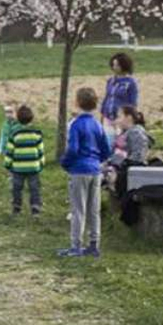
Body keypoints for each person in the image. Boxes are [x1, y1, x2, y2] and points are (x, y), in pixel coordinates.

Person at [58, 87, 111, 258]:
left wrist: (65, 162)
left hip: (79, 170)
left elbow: (73, 149)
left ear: (77, 102)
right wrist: (97, 161)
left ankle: (76, 246)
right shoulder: (98, 124)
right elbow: (106, 149)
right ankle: (94, 244)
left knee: (78, 209)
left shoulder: (76, 124)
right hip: (95, 170)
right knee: (93, 209)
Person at [3, 104, 44, 216]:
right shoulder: (37, 134)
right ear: (32, 118)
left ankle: (17, 207)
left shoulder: (15, 135)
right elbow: (40, 151)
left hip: (18, 168)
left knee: (17, 188)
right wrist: (41, 163)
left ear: (18, 119)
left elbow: (9, 151)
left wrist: (7, 165)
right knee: (34, 188)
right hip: (33, 167)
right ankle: (35, 207)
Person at [100, 52, 139, 148]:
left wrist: (129, 118)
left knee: (119, 144)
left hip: (120, 119)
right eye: (113, 65)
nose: (114, 67)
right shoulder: (111, 81)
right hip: (108, 117)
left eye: (117, 65)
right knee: (107, 143)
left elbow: (133, 102)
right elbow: (107, 97)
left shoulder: (130, 83)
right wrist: (102, 113)